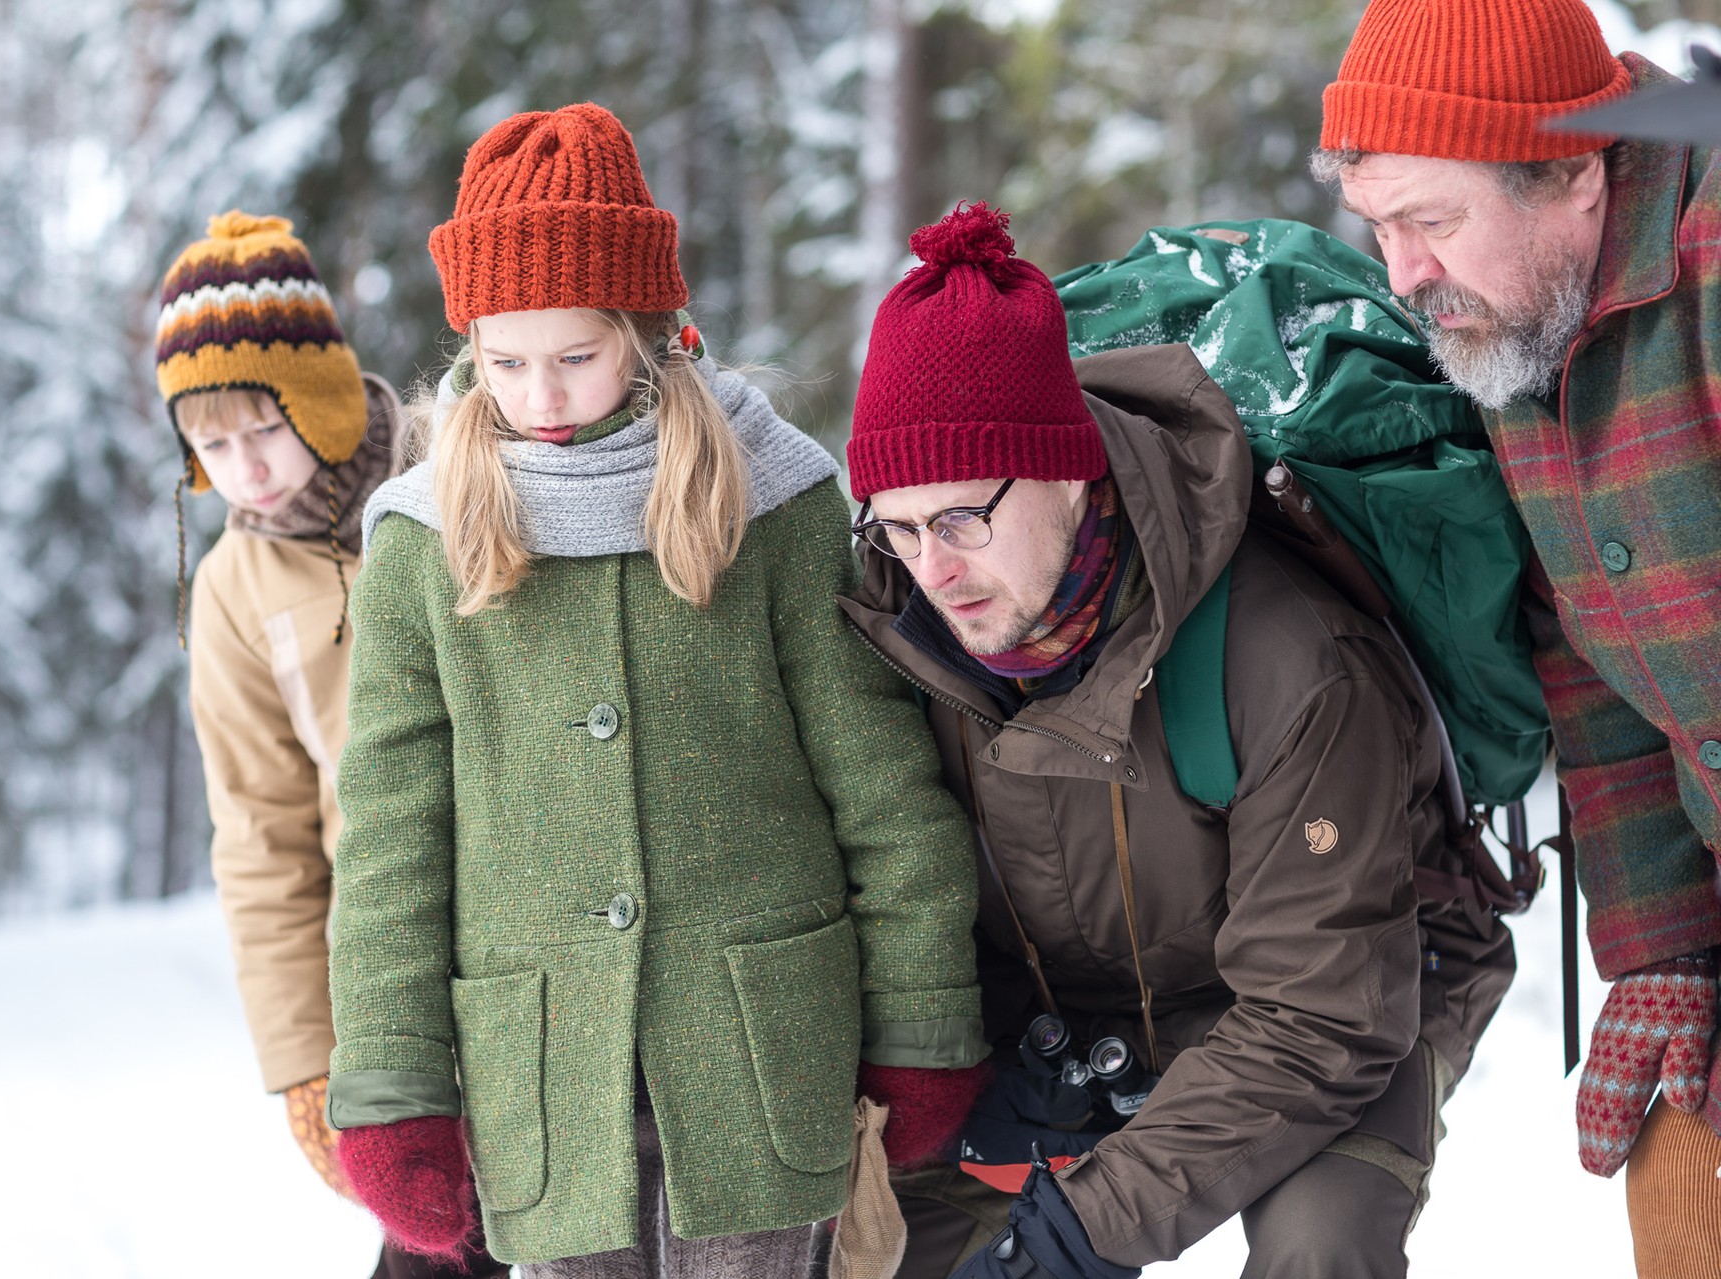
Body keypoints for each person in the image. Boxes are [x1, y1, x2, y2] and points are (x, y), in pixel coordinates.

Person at [322, 102, 990, 1278]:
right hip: (543, 1075)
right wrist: (392, 1084)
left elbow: (883, 787)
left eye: (576, 355)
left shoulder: (775, 505)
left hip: (762, 1051)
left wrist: (922, 1019)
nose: (542, 394)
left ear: (650, 328)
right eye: (506, 360)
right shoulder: (421, 542)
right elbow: (390, 842)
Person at [842, 202, 1513, 1278]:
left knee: (1320, 1244)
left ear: (1068, 470)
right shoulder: (897, 641)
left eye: (966, 516)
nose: (936, 569)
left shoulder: (1289, 657)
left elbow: (1318, 1022)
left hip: (1339, 1004)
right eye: (901, 525)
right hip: (1059, 1033)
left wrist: (1084, 1228)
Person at [1310, 2, 1721, 1271]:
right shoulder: (1518, 326)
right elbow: (1599, 677)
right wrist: (1665, 949)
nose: (1404, 274)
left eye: (1434, 222)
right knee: (1683, 1194)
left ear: (1577, 172)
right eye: (1383, 228)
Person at [159, 212, 496, 1278]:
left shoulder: (449, 477)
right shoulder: (232, 591)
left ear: (320, 394)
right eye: (210, 445)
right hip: (392, 974)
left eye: (262, 428)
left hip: (529, 921)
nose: (244, 469)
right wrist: (307, 1061)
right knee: (441, 1247)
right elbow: (260, 836)